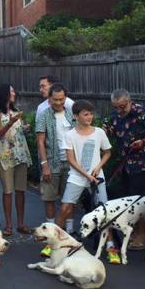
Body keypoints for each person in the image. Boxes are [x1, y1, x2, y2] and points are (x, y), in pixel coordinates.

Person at [58, 100, 120, 264]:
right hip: (78, 177)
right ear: (76, 116)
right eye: (86, 114)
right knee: (65, 207)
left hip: (97, 177)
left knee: (105, 211)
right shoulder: (69, 135)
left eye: (91, 113)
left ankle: (111, 246)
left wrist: (98, 167)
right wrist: (86, 175)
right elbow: (71, 160)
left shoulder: (99, 132)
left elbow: (107, 152)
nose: (89, 117)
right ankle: (54, 242)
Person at [104, 89, 145, 249]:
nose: (119, 110)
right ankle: (134, 232)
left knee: (139, 200)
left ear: (130, 102)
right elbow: (108, 130)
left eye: (122, 107)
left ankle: (142, 236)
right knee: (129, 199)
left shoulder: (143, 113)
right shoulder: (115, 115)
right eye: (116, 107)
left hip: (143, 163)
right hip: (125, 164)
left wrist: (144, 141)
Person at [35, 83, 74, 256]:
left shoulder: (72, 112)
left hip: (71, 162)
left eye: (61, 99)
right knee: (49, 197)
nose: (59, 103)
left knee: (70, 198)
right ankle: (50, 233)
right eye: (55, 99)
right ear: (49, 99)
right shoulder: (43, 115)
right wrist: (45, 165)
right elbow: (40, 141)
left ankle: (70, 232)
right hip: (52, 161)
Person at [0, 84, 32, 236]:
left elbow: (17, 131)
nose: (15, 93)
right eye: (12, 91)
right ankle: (8, 225)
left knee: (21, 189)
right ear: (4, 94)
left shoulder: (16, 111)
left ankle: (21, 223)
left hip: (20, 152)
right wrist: (10, 122)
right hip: (5, 154)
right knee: (8, 190)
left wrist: (24, 128)